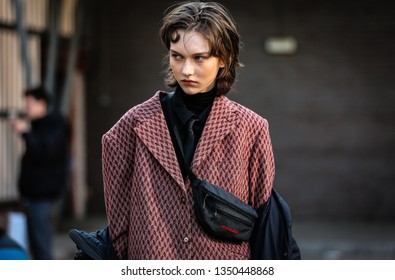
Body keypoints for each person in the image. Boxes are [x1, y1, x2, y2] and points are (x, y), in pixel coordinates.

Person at [101, 1, 299, 260]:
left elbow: (262, 222)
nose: (186, 70)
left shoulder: (251, 129)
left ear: (224, 59)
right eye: (177, 56)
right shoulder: (132, 127)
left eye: (199, 57)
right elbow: (117, 229)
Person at [10, 85, 70, 260]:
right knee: (35, 249)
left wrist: (24, 132)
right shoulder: (39, 127)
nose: (25, 108)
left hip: (43, 197)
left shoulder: (55, 125)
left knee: (41, 249)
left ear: (41, 104)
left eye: (28, 104)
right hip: (31, 198)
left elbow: (43, 152)